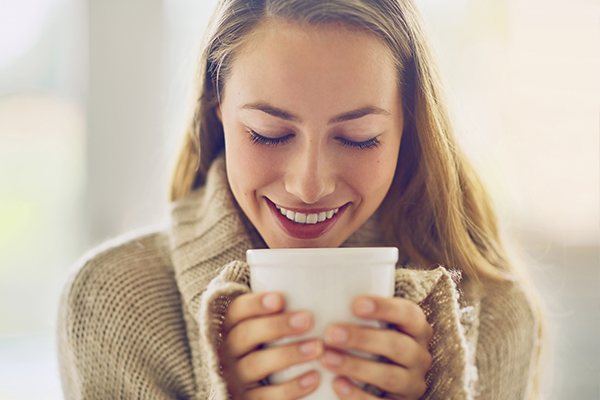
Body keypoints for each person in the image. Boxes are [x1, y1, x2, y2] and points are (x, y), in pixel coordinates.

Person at [57, 1, 547, 399]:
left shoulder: (494, 312)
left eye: (359, 138)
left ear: (409, 129)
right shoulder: (112, 301)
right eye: (268, 134)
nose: (308, 186)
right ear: (218, 109)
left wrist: (441, 390)